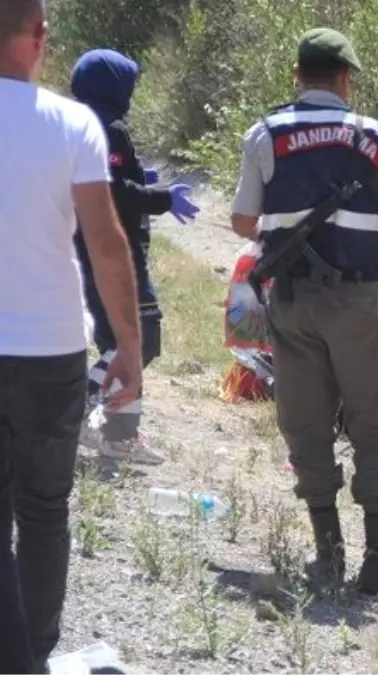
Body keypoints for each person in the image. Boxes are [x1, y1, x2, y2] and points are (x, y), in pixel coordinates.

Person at [229, 27, 378, 595]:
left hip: (292, 300)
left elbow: (241, 222)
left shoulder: (266, 134)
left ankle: (327, 555)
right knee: (377, 421)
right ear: (346, 79)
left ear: (296, 76)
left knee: (306, 420)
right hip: (358, 300)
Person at [0, 0, 145, 671]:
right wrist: (130, 345)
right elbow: (107, 242)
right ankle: (35, 652)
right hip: (53, 345)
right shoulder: (72, 122)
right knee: (45, 507)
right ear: (39, 37)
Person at [70, 48, 201, 466]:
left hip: (82, 250)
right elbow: (113, 193)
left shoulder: (73, 124)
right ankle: (76, 408)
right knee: (140, 337)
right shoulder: (110, 129)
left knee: (116, 341)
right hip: (117, 255)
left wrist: (138, 177)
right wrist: (161, 198)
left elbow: (103, 179)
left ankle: (119, 435)